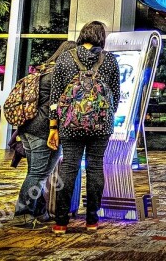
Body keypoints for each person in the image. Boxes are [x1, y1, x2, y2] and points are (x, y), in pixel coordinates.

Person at [48, 21, 120, 235]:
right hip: (101, 126)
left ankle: (61, 222)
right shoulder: (109, 61)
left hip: (70, 125)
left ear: (82, 35)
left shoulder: (65, 58)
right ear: (101, 37)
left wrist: (53, 126)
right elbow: (115, 96)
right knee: (95, 167)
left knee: (69, 168)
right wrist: (104, 116)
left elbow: (56, 96)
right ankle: (92, 220)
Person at [13, 40, 76, 229]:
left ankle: (39, 211)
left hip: (27, 128)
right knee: (39, 173)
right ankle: (22, 214)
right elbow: (56, 107)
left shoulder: (42, 71)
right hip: (43, 130)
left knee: (36, 172)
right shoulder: (60, 75)